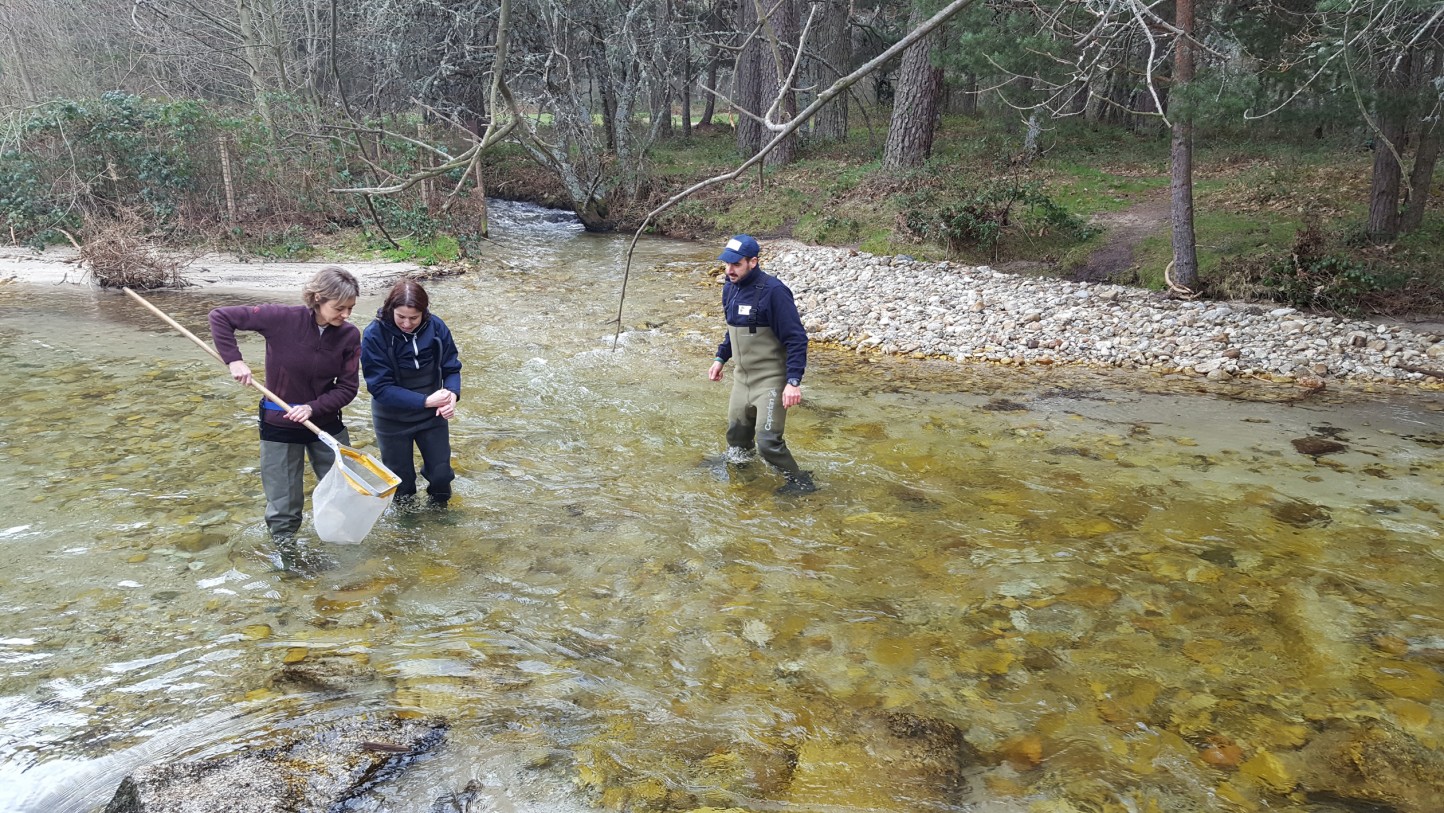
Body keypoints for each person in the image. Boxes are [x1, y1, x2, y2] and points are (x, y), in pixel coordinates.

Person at [208, 266, 362, 543]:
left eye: (350, 308)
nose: (346, 315)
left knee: (344, 494)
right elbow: (220, 317)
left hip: (326, 425)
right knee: (284, 506)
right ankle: (286, 557)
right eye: (340, 308)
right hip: (279, 425)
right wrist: (234, 359)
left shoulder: (349, 336)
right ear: (318, 298)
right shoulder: (281, 318)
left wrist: (313, 407)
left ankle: (343, 551)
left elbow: (348, 388)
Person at [707, 234, 817, 495]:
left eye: (736, 265)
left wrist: (793, 382)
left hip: (771, 380)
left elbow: (796, 339)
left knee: (768, 443)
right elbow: (732, 330)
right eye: (726, 264)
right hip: (742, 379)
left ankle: (801, 482)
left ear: (753, 262)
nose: (729, 270)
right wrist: (720, 358)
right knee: (736, 438)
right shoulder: (729, 287)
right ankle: (745, 479)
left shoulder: (774, 292)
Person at [361, 279, 461, 507]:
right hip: (391, 419)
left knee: (442, 476)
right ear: (390, 310)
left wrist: (452, 395)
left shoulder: (436, 327)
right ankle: (407, 534)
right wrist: (425, 401)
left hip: (432, 416)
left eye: (413, 318)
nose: (407, 323)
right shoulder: (374, 334)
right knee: (402, 486)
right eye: (400, 317)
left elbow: (451, 367)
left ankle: (440, 519)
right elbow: (379, 387)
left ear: (423, 313)